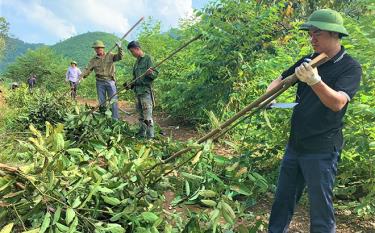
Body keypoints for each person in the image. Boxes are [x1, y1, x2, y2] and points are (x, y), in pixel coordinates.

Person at [267, 9, 362, 233]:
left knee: (320, 209)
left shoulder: (350, 67)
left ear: (334, 34)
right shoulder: (308, 60)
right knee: (282, 201)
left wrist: (315, 80)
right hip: (296, 144)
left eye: (317, 33)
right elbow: (280, 80)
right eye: (310, 33)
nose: (312, 38)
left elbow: (338, 103)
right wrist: (268, 95)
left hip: (322, 149)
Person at [79, 40, 123, 119]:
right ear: (94, 49)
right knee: (102, 101)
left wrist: (119, 48)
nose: (98, 49)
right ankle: (103, 118)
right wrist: (81, 76)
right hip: (100, 82)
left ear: (103, 48)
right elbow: (87, 69)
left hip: (110, 81)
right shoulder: (93, 60)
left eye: (99, 48)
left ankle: (115, 119)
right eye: (96, 48)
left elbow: (119, 57)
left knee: (113, 101)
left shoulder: (110, 55)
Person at [124, 41, 158, 138]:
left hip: (145, 92)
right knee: (141, 116)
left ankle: (150, 138)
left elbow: (155, 74)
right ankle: (142, 135)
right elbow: (135, 78)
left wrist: (150, 73)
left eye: (132, 51)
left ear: (137, 49)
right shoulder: (136, 62)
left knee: (147, 116)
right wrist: (130, 84)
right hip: (137, 92)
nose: (132, 54)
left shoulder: (148, 59)